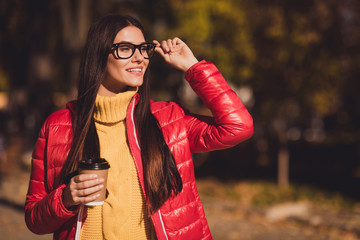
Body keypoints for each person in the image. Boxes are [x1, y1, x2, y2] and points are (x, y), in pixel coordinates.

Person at [25, 14, 253, 240]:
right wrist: (65, 199)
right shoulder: (58, 126)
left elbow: (238, 126)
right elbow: (34, 220)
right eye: (125, 49)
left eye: (143, 49)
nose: (140, 58)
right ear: (99, 55)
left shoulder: (167, 119)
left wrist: (193, 67)